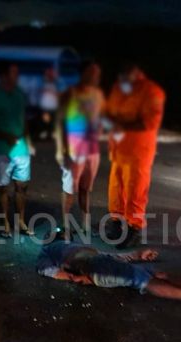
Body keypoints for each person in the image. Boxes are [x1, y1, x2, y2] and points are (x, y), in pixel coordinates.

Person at [36, 240, 181, 308]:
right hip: (95, 268)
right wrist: (78, 278)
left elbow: (107, 255)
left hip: (100, 264)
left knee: (154, 273)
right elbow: (48, 270)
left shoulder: (68, 245)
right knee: (141, 279)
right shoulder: (46, 253)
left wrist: (136, 254)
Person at [105, 62, 166, 249]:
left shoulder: (151, 91)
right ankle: (116, 221)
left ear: (137, 72)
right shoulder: (119, 87)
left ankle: (135, 228)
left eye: (126, 74)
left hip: (138, 151)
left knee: (136, 191)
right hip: (118, 149)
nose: (122, 79)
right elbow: (110, 111)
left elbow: (150, 123)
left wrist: (121, 125)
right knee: (116, 188)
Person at [0, 62, 33, 237]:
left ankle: (21, 221)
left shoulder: (19, 94)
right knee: (3, 187)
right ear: (3, 75)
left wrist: (28, 140)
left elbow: (23, 118)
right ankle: (5, 223)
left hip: (21, 148)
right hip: (1, 149)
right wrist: (4, 136)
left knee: (22, 185)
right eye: (13, 73)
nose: (16, 76)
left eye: (17, 73)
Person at [54, 60, 105, 240]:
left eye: (97, 74)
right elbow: (60, 122)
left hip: (92, 150)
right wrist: (61, 150)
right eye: (92, 73)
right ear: (83, 73)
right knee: (69, 189)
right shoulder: (71, 93)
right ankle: (65, 226)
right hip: (74, 149)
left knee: (85, 188)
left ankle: (85, 225)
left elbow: (100, 117)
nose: (95, 77)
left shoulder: (98, 94)